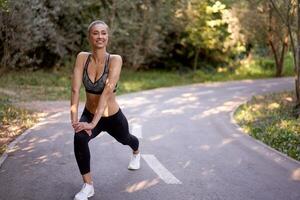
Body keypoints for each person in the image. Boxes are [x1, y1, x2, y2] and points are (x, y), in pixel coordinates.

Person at [70, 20, 140, 200]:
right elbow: (75, 90)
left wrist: (93, 123)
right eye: (95, 33)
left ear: (107, 37)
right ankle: (88, 185)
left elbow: (107, 91)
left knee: (126, 139)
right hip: (90, 113)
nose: (100, 36)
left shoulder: (115, 60)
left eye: (103, 33)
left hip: (112, 117)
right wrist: (75, 121)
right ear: (89, 36)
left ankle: (136, 151)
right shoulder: (82, 58)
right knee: (79, 138)